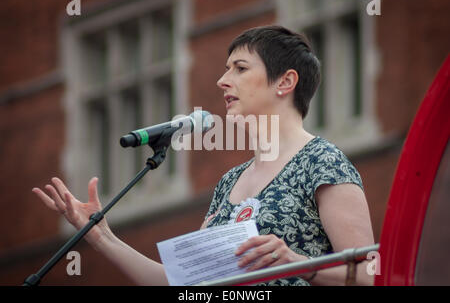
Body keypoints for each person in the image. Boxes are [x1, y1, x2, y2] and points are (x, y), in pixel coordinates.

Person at [32, 25, 375, 286]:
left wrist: (296, 262)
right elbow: (182, 283)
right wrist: (100, 236)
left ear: (285, 82)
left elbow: (372, 272)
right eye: (227, 69)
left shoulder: (323, 162)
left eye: (240, 68)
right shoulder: (229, 183)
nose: (223, 81)